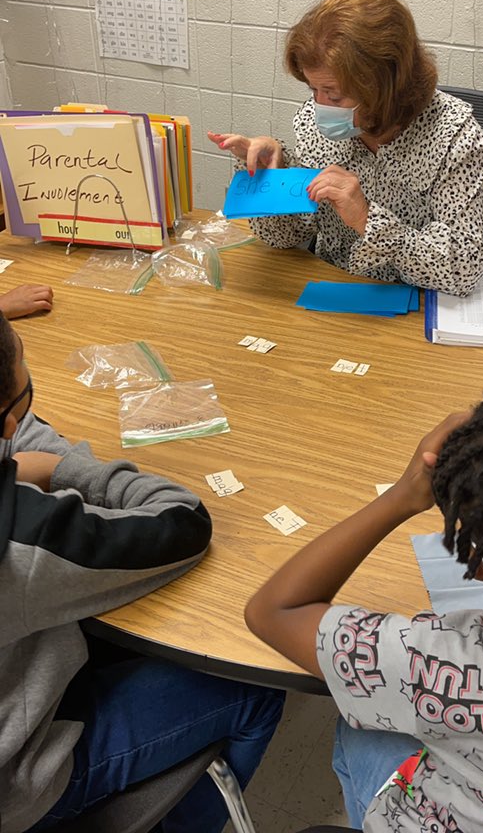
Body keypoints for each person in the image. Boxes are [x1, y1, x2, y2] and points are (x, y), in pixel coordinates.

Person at [245, 384, 483, 832]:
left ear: (479, 551)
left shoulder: (441, 663)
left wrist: (401, 496)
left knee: (357, 731)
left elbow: (274, 611)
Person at [0, 312, 284, 833]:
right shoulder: (23, 536)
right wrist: (62, 468)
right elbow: (181, 521)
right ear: (8, 425)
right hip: (16, 791)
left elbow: (21, 437)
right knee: (255, 689)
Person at [208, 0, 483, 297]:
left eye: (333, 94)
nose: (320, 106)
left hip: (420, 304)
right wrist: (270, 180)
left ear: (384, 87)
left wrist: (365, 218)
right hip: (334, 290)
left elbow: (466, 269)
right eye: (313, 89)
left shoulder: (453, 135)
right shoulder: (312, 123)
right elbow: (287, 237)